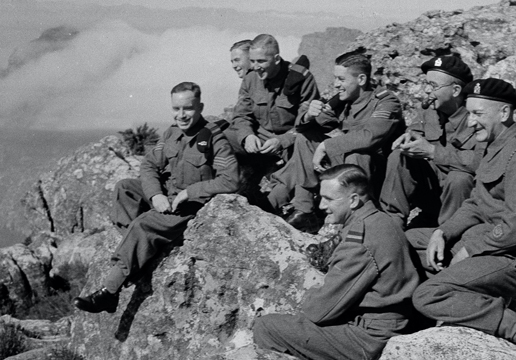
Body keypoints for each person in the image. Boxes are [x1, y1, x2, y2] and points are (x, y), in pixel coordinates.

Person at [408, 78, 516, 360]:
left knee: (428, 295)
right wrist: (444, 233)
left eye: (478, 114)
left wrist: (471, 248)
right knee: (407, 241)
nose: (470, 122)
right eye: (469, 113)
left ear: (504, 113)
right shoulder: (495, 146)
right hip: (494, 242)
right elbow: (476, 203)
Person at [74, 82, 239, 313]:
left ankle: (109, 292)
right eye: (176, 109)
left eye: (188, 109)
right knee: (125, 188)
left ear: (200, 107)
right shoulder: (172, 133)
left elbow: (230, 180)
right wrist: (155, 194)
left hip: (189, 207)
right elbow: (149, 164)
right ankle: (138, 255)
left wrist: (189, 192)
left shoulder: (213, 139)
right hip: (166, 195)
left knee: (142, 224)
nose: (181, 115)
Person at [254, 164, 419, 360]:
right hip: (392, 324)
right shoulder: (382, 219)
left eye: (329, 199)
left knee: (267, 327)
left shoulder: (359, 240)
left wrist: (308, 294)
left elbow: (319, 312)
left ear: (353, 201)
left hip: (370, 339)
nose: (321, 205)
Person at [267, 51, 404, 232]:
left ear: (361, 79)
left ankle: (356, 216)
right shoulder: (343, 101)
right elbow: (306, 129)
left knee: (357, 154)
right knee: (305, 139)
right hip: (348, 168)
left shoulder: (386, 101)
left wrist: (326, 146)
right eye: (335, 79)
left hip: (376, 175)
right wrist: (308, 114)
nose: (336, 84)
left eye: (341, 79)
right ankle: (304, 210)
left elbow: (370, 137)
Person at [379, 55, 483, 229]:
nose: (426, 91)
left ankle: (450, 235)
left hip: (464, 203)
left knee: (459, 178)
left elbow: (482, 162)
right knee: (399, 157)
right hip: (434, 195)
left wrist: (433, 152)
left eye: (433, 86)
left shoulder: (477, 118)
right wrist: (408, 140)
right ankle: (391, 225)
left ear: (456, 90)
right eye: (426, 84)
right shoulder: (429, 111)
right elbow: (414, 131)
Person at [226, 34, 320, 162]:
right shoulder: (250, 79)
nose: (255, 67)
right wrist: (247, 136)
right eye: (252, 61)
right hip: (262, 140)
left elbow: (308, 123)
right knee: (218, 139)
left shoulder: (301, 79)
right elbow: (241, 115)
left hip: (291, 141)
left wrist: (283, 141)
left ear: (276, 59)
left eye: (261, 61)